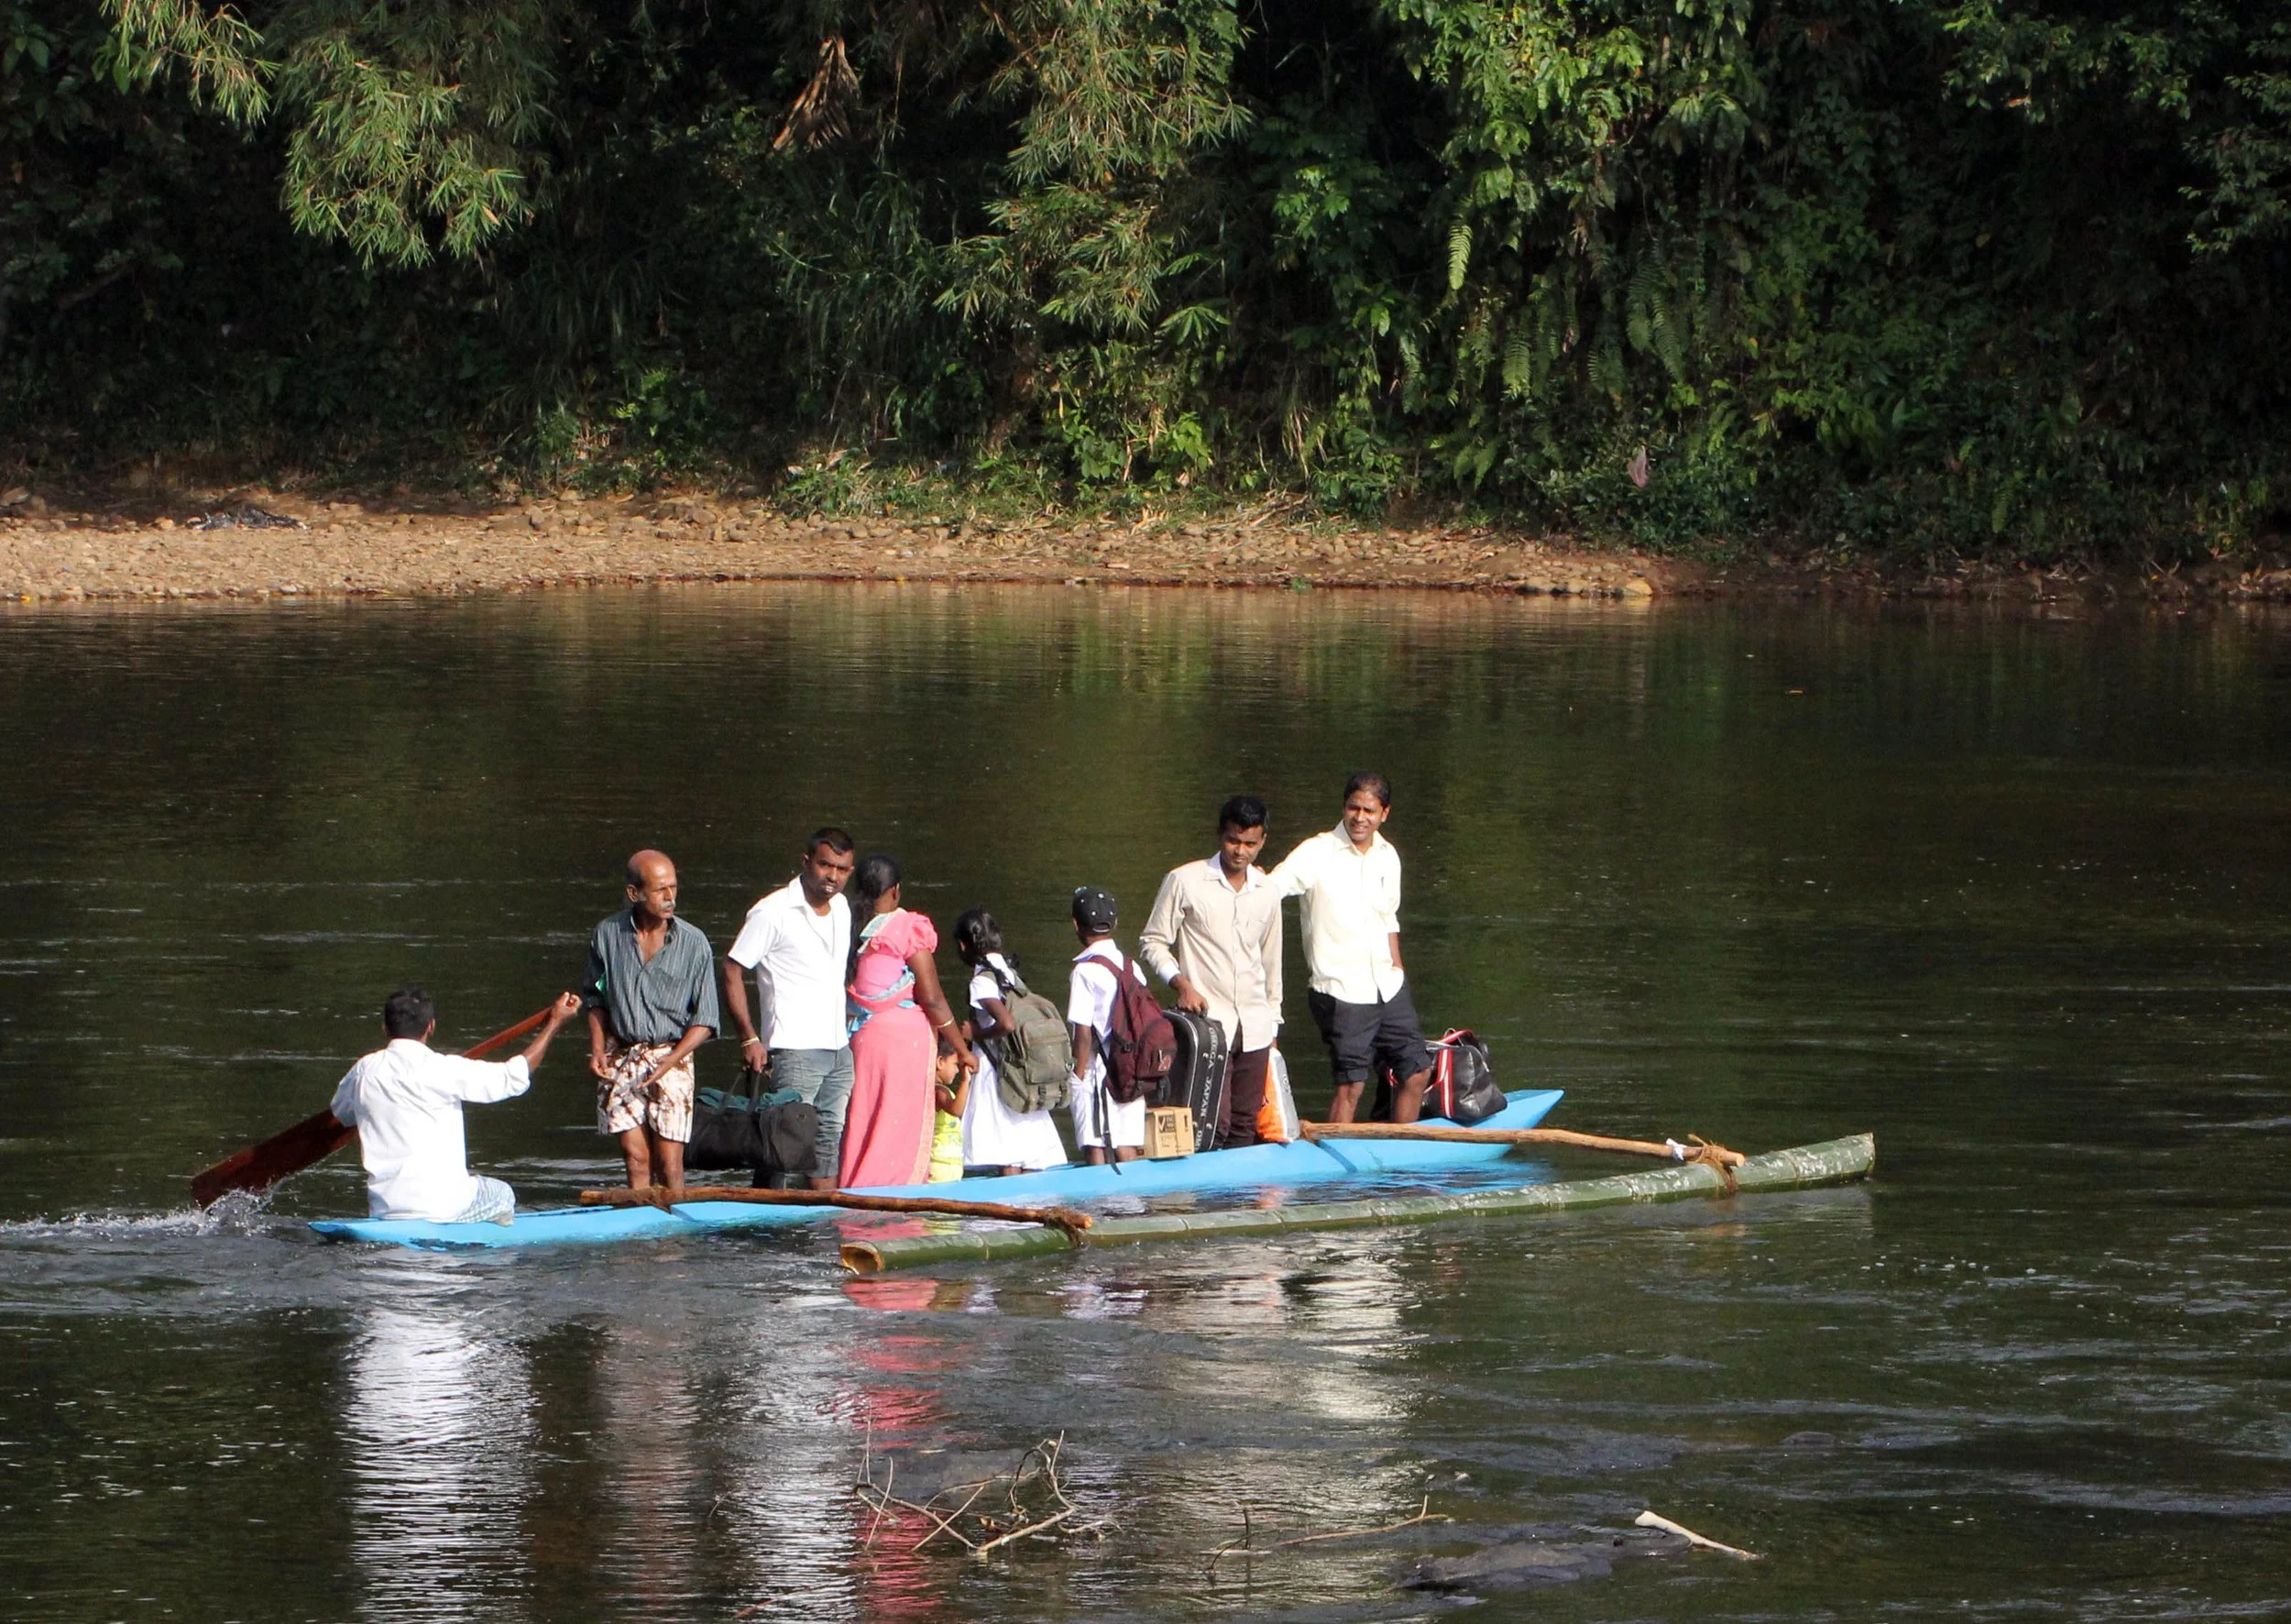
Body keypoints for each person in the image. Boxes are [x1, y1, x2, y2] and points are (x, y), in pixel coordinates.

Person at [330, 988, 584, 1223]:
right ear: (431, 1026)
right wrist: (554, 1023)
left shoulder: (363, 1070)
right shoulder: (445, 1069)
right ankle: (483, 1243)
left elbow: (342, 1114)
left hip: (385, 1208)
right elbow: (516, 1076)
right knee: (504, 1193)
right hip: (444, 1208)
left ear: (385, 1028)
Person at [1268, 773, 1432, 1123]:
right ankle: (1333, 1156)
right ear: (1344, 807)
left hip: (1388, 985)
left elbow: (1388, 918)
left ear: (1384, 813)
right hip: (1340, 990)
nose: (1359, 817)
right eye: (1353, 808)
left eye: (1369, 811)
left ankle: (1402, 1148)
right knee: (1351, 1086)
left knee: (1417, 1072)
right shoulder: (1317, 851)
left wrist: (1398, 968)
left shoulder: (1387, 856)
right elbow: (1272, 889)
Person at [1138, 794, 1283, 1147]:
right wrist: (1181, 983)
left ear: (1262, 841)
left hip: (1255, 1024)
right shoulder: (1185, 880)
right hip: (1207, 1025)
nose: (1240, 851)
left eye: (1250, 844)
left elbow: (1271, 962)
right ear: (1220, 834)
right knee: (1212, 1122)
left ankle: (1242, 1185)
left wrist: (1273, 1024)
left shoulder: (1267, 891)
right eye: (1233, 840)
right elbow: (1153, 941)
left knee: (1246, 1122)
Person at [722, 828, 858, 1191]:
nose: (833, 876)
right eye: (825, 865)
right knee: (783, 1142)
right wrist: (749, 1037)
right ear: (806, 862)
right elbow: (732, 968)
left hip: (837, 1046)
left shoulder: (842, 907)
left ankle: (824, 1216)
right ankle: (764, 1219)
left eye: (842, 869)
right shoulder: (773, 911)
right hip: (794, 1047)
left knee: (828, 1138)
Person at [584, 849, 720, 1190]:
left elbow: (705, 1020)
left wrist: (670, 1061)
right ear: (635, 893)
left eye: (673, 887)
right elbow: (595, 999)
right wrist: (597, 1049)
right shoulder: (606, 935)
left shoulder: (694, 943)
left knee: (669, 1162)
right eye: (660, 890)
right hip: (621, 1055)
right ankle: (639, 1219)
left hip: (671, 1056)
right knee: (635, 1158)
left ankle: (673, 1221)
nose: (670, 897)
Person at [841, 853, 974, 1187]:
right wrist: (962, 1049)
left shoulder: (848, 929)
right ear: (896, 890)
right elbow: (932, 999)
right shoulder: (907, 928)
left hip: (861, 1036)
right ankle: (894, 1191)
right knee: (896, 1122)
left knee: (864, 1118)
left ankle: (856, 1186)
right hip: (902, 1044)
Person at [951, 907, 1069, 1176]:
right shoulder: (1010, 973)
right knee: (1028, 1147)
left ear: (963, 945)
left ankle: (1009, 1197)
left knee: (1005, 1148)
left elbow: (1007, 1023)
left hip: (998, 1071)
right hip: (1022, 1068)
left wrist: (976, 1034)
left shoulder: (982, 981)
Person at [1067, 885, 1146, 1164]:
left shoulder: (1084, 971)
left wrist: (1077, 1075)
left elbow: (1083, 1032)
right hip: (1133, 1068)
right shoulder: (1132, 967)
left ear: (1076, 925)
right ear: (1115, 923)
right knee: (1127, 1144)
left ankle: (1098, 1193)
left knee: (1095, 1143)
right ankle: (1134, 1192)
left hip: (1099, 1070)